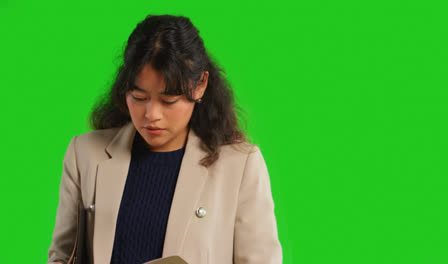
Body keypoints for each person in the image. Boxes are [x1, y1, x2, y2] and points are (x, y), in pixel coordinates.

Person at [47, 14, 282, 264]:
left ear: (200, 85)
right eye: (138, 97)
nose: (152, 115)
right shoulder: (85, 154)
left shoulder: (239, 166)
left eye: (169, 100)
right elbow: (61, 256)